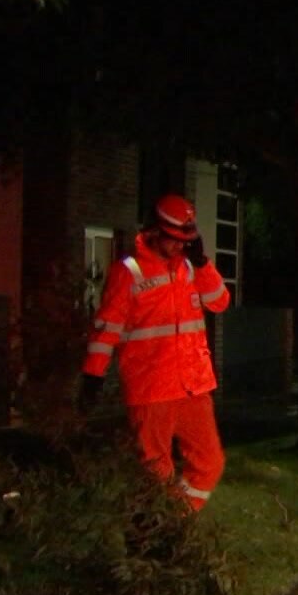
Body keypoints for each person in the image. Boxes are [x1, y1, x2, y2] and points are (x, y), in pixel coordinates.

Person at [79, 193, 232, 511]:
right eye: (174, 240)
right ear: (155, 231)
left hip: (193, 386)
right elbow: (107, 329)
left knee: (210, 463)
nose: (180, 246)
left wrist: (203, 264)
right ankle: (157, 530)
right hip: (151, 387)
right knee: (155, 473)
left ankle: (173, 524)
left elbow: (220, 301)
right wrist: (93, 375)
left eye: (185, 240)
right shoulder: (129, 272)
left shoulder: (190, 268)